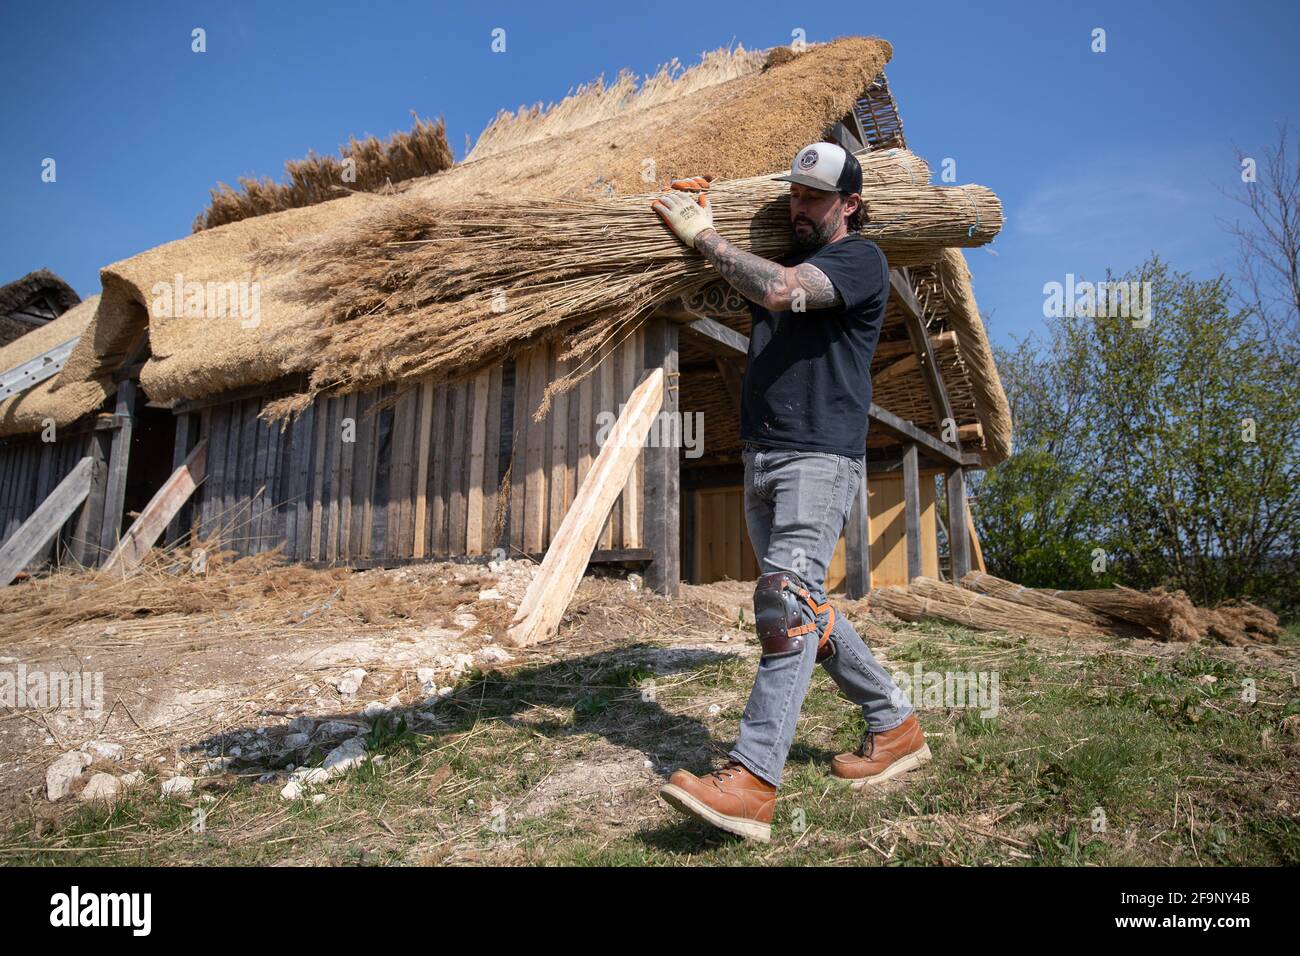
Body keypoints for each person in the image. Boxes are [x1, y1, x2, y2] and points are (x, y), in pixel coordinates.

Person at [650, 141, 929, 843]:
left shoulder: (860, 261)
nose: (800, 208)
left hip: (817, 456)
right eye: (795, 195)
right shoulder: (781, 261)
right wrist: (702, 226)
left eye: (815, 198)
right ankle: (895, 724)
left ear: (850, 205)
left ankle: (753, 780)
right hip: (763, 456)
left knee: (782, 603)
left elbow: (779, 290)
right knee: (805, 606)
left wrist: (705, 236)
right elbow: (748, 283)